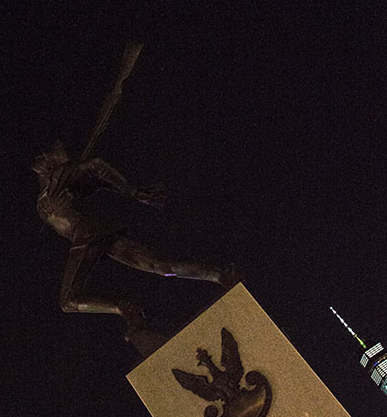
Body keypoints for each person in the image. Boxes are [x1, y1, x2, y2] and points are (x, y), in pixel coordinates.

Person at [33, 140, 240, 336]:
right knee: (160, 267)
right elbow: (97, 181)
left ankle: (125, 307)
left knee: (68, 301)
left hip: (87, 234)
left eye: (44, 156)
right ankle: (220, 275)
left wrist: (131, 190)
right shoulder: (50, 192)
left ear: (51, 161)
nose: (39, 161)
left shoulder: (59, 177)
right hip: (94, 234)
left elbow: (96, 165)